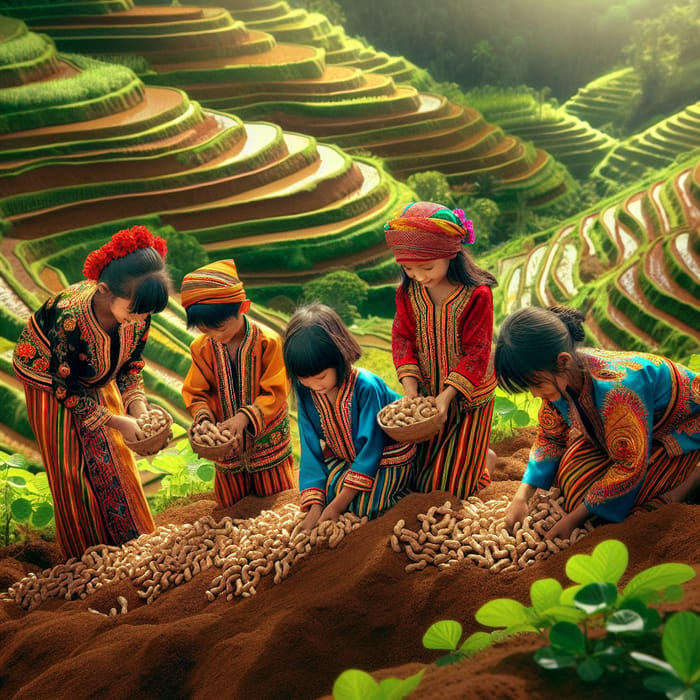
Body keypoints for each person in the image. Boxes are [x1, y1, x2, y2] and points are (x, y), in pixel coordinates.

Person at [12, 225, 172, 559]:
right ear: (103, 291)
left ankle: (132, 539)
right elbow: (65, 389)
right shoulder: (70, 320)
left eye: (146, 314)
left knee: (115, 453)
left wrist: (137, 408)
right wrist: (118, 421)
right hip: (48, 377)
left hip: (93, 373)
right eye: (134, 311)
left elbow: (130, 363)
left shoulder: (137, 312)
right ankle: (85, 554)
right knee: (71, 463)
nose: (139, 320)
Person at [495, 305, 700, 539]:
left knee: (623, 509)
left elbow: (629, 465)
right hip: (629, 434)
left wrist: (572, 520)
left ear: (562, 361)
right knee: (572, 481)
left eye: (536, 384)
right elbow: (550, 438)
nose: (533, 394)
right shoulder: (560, 377)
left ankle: (690, 479)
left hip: (679, 430)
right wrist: (522, 497)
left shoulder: (618, 390)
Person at [384, 201, 498, 499]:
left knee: (447, 489)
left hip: (468, 398)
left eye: (427, 267)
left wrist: (447, 397)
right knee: (417, 481)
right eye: (408, 269)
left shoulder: (477, 295)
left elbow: (477, 352)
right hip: (426, 398)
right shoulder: (407, 292)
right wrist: (411, 391)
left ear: (452, 255)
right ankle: (477, 458)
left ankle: (483, 461)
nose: (419, 276)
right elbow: (402, 338)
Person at [283, 303, 416, 531]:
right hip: (345, 457)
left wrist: (335, 507)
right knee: (328, 491)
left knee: (364, 507)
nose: (314, 385)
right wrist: (316, 508)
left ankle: (408, 489)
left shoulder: (365, 386)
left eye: (321, 376)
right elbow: (310, 447)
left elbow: (371, 448)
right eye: (305, 378)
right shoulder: (305, 390)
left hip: (386, 454)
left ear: (339, 358)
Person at [180, 259, 295, 508]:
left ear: (243, 307)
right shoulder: (201, 348)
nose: (215, 337)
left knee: (276, 502)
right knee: (231, 503)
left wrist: (243, 419)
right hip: (226, 447)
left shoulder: (268, 342)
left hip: (266, 442)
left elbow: (276, 391)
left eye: (219, 328)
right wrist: (204, 421)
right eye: (205, 331)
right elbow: (197, 391)